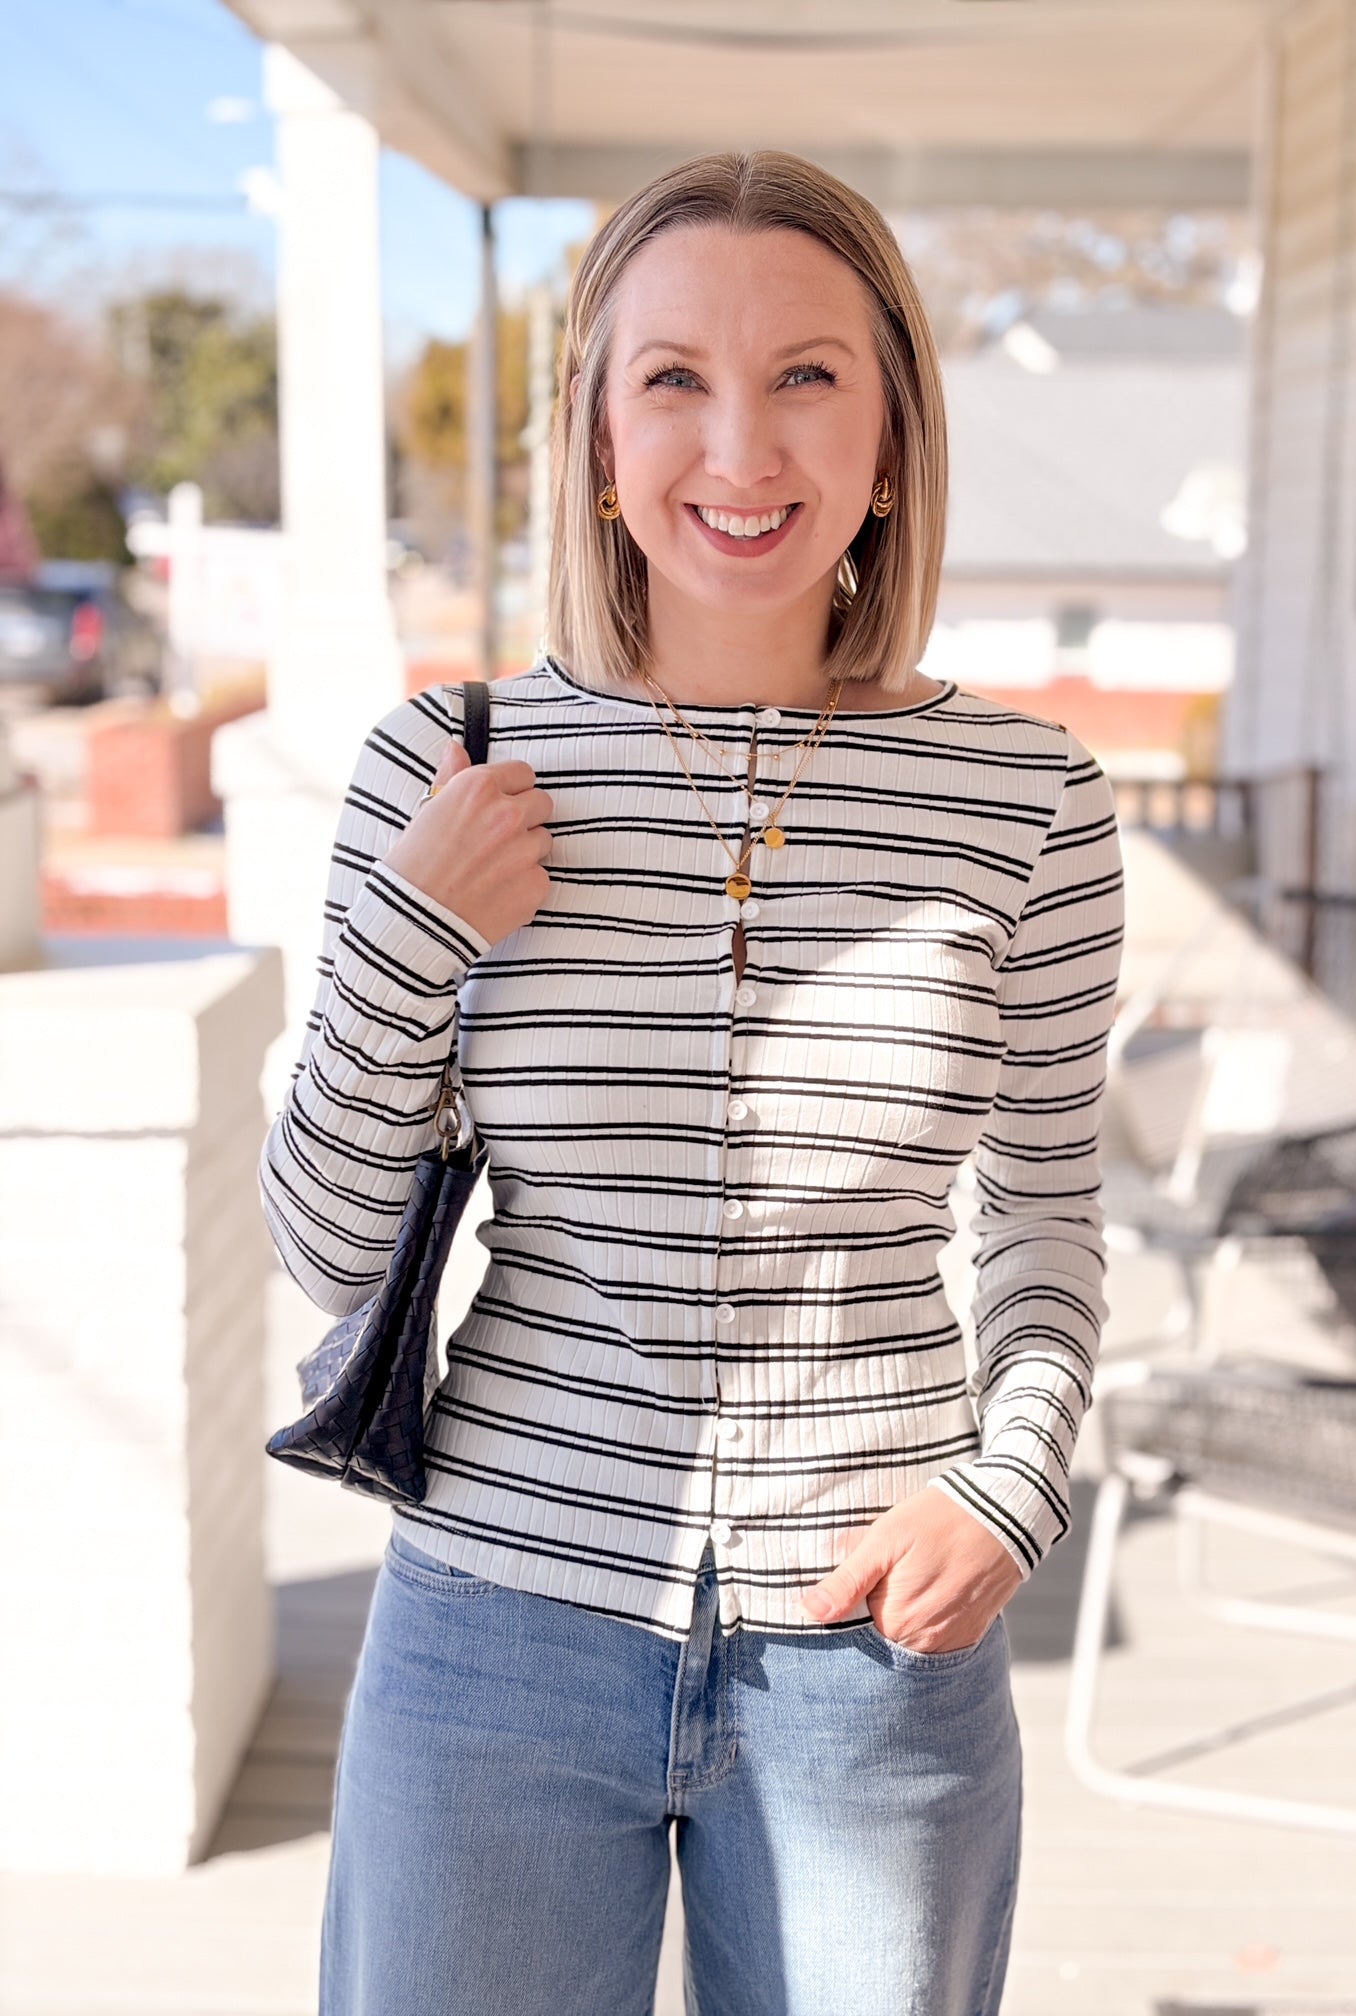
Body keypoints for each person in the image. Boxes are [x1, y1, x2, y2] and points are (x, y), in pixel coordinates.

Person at [260, 148, 1124, 2016]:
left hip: (873, 1650)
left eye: (808, 374)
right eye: (675, 379)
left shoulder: (1030, 801)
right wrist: (420, 932)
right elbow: (328, 1249)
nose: (742, 448)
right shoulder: (447, 763)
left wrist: (1013, 1490)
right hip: (496, 1628)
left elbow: (1046, 1209)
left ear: (893, 429)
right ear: (594, 432)